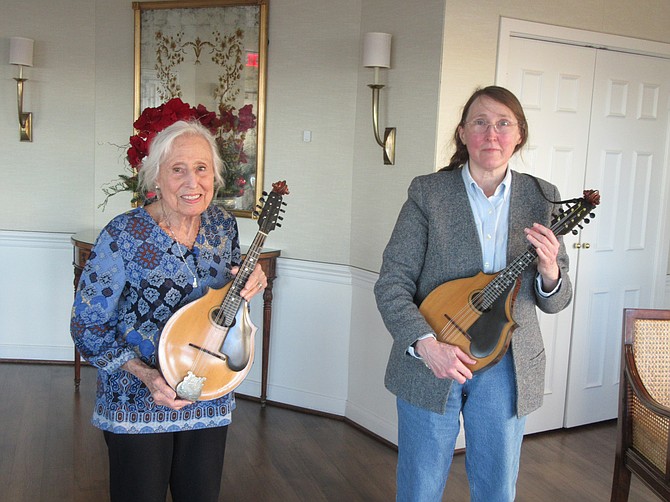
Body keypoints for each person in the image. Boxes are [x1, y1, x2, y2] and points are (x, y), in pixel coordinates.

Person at [374, 85, 574, 501]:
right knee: (420, 487)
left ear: (519, 134)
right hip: (434, 352)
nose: (492, 134)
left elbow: (555, 300)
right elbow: (392, 282)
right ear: (463, 133)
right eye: (480, 123)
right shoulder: (428, 192)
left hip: (508, 364)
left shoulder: (544, 196)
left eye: (504, 124)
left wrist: (551, 269)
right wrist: (426, 346)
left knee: (497, 489)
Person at [71, 118, 267, 502]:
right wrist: (145, 374)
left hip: (207, 392)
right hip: (136, 397)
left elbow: (226, 300)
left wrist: (250, 280)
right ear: (155, 179)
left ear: (215, 176)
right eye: (178, 170)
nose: (192, 183)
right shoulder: (123, 233)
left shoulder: (223, 226)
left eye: (201, 169)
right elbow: (87, 325)